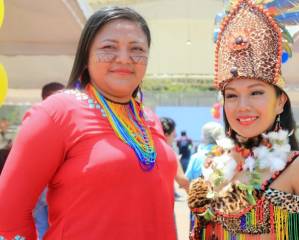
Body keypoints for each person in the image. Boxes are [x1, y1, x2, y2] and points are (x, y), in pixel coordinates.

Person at [0, 7, 176, 239]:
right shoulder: (56, 113)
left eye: (137, 49)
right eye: (109, 47)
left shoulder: (149, 118)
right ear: (86, 56)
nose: (124, 58)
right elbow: (8, 214)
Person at [187, 1, 299, 239]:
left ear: (280, 102)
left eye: (256, 92)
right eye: (232, 96)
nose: (242, 106)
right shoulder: (214, 163)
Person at [34, 82, 66, 240]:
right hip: (44, 186)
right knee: (45, 227)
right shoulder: (40, 121)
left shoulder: (38, 120)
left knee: (48, 227)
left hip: (53, 186)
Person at [160, 117, 190, 192]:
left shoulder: (144, 149)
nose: (174, 138)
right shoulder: (169, 153)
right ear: (166, 135)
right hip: (162, 200)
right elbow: (183, 181)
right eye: (174, 135)